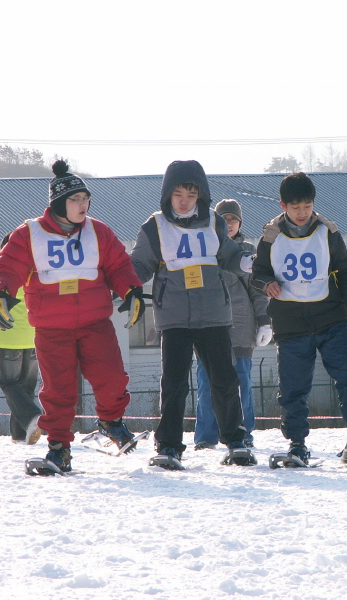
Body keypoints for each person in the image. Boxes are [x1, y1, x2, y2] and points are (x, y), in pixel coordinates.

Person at [0, 161, 144, 473]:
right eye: (76, 200)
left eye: (86, 199)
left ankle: (111, 422)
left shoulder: (99, 231)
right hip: (51, 327)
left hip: (95, 322)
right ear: (59, 203)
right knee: (59, 391)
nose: (83, 205)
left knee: (112, 377)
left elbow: (118, 265)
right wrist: (3, 292)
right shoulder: (29, 233)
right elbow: (8, 266)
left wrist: (132, 291)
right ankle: (59, 448)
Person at [130, 160, 255, 468]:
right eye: (178, 194)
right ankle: (169, 446)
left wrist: (250, 263)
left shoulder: (214, 222)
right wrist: (121, 285)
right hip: (173, 317)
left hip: (213, 314)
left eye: (191, 193)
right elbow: (139, 264)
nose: (184, 200)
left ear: (201, 194)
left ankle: (236, 441)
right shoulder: (155, 226)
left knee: (225, 380)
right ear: (167, 195)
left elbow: (229, 255)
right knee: (173, 383)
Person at [251, 172, 347, 465]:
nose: (302, 213)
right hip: (290, 324)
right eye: (296, 208)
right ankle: (297, 442)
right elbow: (257, 273)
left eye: (307, 206)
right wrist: (267, 284)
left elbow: (346, 268)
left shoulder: (327, 231)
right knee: (293, 387)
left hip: (331, 317)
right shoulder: (271, 235)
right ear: (283, 206)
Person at [193, 199, 271, 451]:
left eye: (233, 220)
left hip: (241, 329)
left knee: (242, 385)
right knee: (206, 385)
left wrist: (264, 321)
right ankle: (206, 435)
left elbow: (258, 292)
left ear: (240, 223)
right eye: (224, 219)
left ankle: (244, 432)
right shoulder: (204, 249)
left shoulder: (247, 252)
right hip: (208, 328)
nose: (229, 224)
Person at [0, 234, 42, 445]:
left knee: (9, 383)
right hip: (35, 336)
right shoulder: (35, 271)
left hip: (9, 336)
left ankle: (33, 417)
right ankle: (20, 434)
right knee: (26, 388)